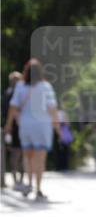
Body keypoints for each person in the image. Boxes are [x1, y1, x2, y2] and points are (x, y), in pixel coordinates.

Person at [4, 59, 61, 201]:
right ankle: (39, 188)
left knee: (27, 156)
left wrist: (9, 125)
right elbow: (52, 109)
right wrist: (57, 128)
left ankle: (29, 183)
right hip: (42, 126)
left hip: (26, 125)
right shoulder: (46, 87)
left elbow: (13, 107)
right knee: (40, 159)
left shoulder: (21, 87)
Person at [2, 71, 25, 192]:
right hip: (13, 128)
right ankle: (16, 180)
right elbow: (6, 111)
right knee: (15, 153)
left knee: (21, 154)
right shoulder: (8, 94)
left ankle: (20, 179)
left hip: (22, 127)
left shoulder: (22, 93)